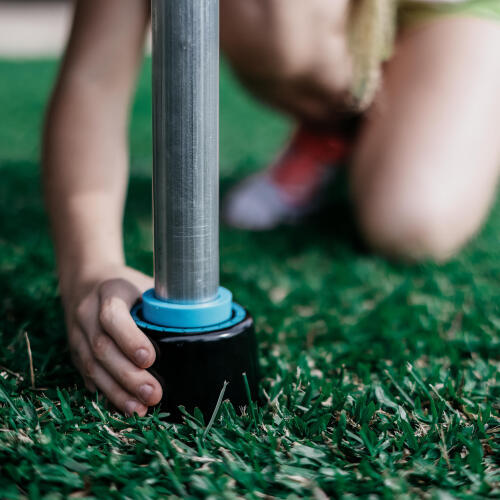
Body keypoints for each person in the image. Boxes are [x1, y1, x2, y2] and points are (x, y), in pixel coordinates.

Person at [43, 0, 500, 416]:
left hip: (443, 11)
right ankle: (334, 131)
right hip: (318, 28)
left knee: (414, 221)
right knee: (280, 18)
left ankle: (397, 117)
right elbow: (93, 77)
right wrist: (91, 264)